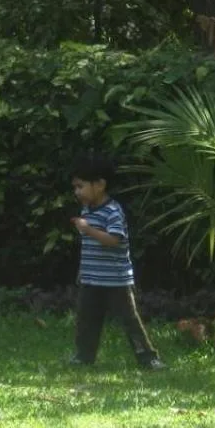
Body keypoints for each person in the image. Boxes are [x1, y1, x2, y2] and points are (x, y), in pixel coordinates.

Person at [68, 152, 165, 370]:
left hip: (117, 281)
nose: (77, 192)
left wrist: (88, 230)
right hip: (91, 279)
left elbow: (114, 240)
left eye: (80, 186)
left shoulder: (112, 211)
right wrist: (83, 271)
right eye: (75, 187)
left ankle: (148, 357)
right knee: (86, 320)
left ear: (100, 185)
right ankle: (84, 356)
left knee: (130, 320)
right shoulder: (87, 210)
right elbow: (90, 248)